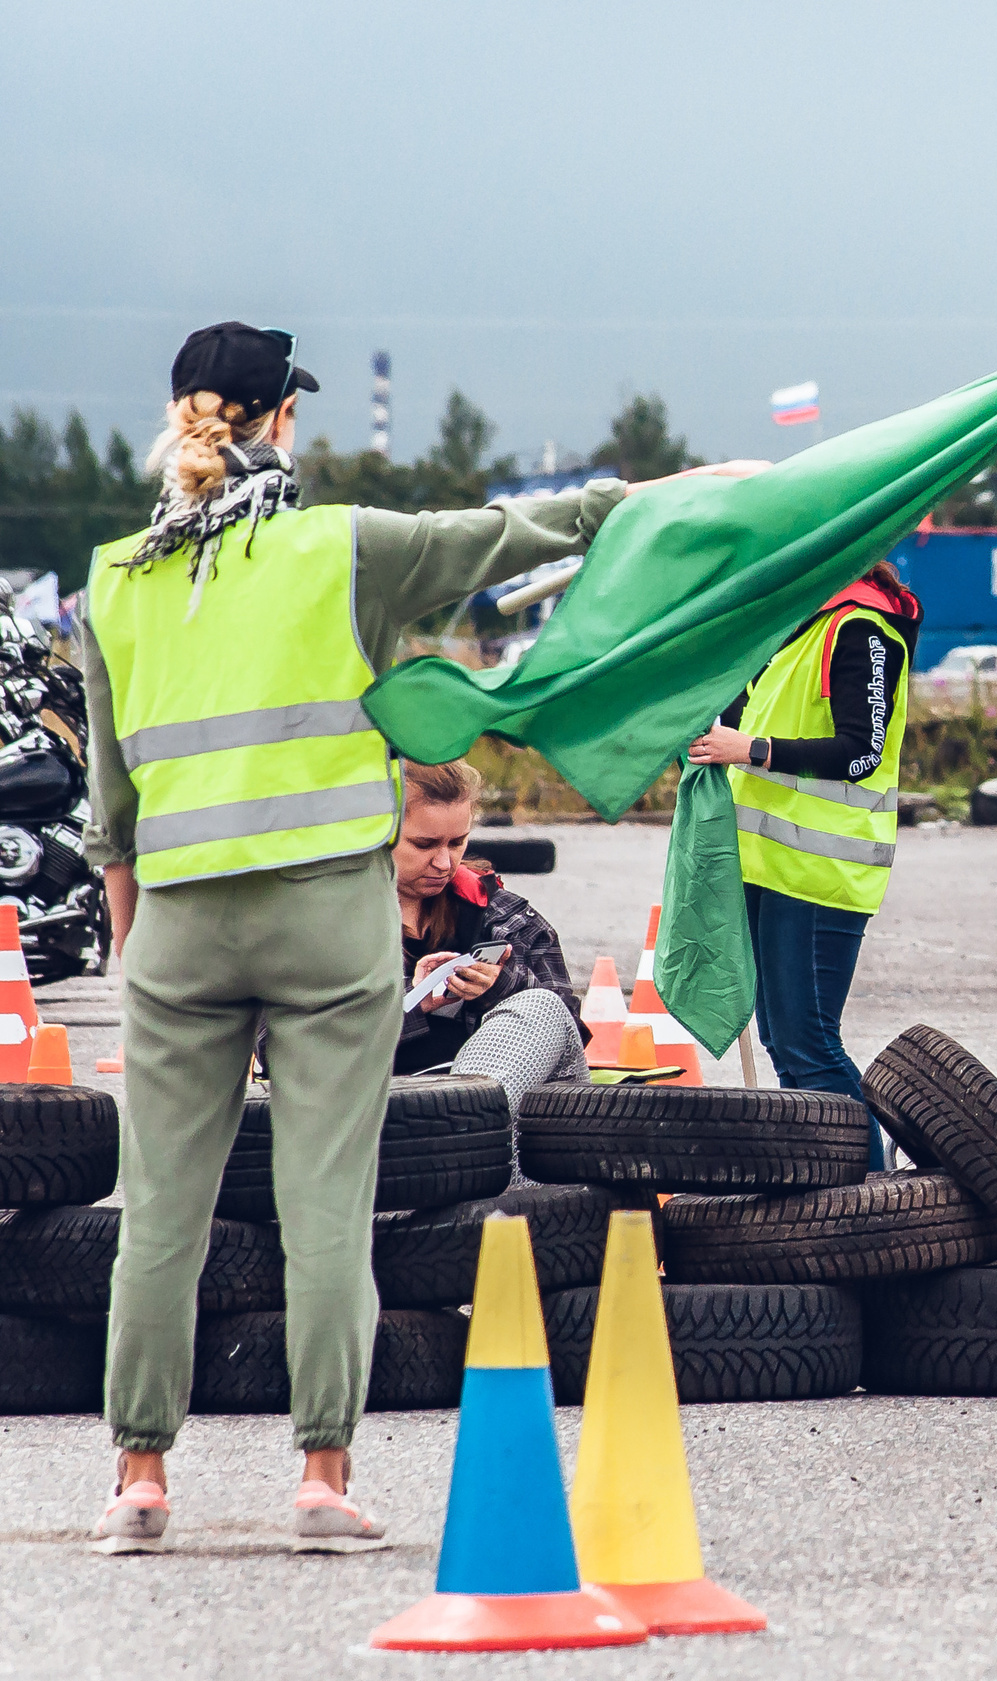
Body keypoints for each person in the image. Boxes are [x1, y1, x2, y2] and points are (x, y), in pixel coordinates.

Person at [80, 321, 739, 1556]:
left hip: (175, 927)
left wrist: (140, 947)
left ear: (181, 419)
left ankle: (138, 1481)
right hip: (329, 921)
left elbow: (111, 814)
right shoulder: (343, 549)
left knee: (161, 1210)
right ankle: (322, 1479)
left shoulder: (113, 578)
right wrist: (651, 496)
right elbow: (499, 535)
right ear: (282, 422)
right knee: (325, 1205)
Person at [686, 557, 920, 1173]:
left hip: (822, 874)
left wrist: (750, 750)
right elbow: (747, 719)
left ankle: (875, 1194)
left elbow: (861, 750)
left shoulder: (863, 627)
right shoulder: (794, 624)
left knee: (808, 1045)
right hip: (768, 868)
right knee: (785, 1046)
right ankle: (826, 1196)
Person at [391, 759, 588, 1117]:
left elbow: (568, 1033)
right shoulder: (330, 921)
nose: (444, 863)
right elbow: (278, 1048)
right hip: (388, 1119)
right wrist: (410, 1004)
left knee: (539, 1006)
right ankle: (459, 1124)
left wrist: (500, 987)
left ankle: (467, 1119)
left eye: (457, 843)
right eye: (424, 844)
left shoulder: (505, 915)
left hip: (503, 1122)